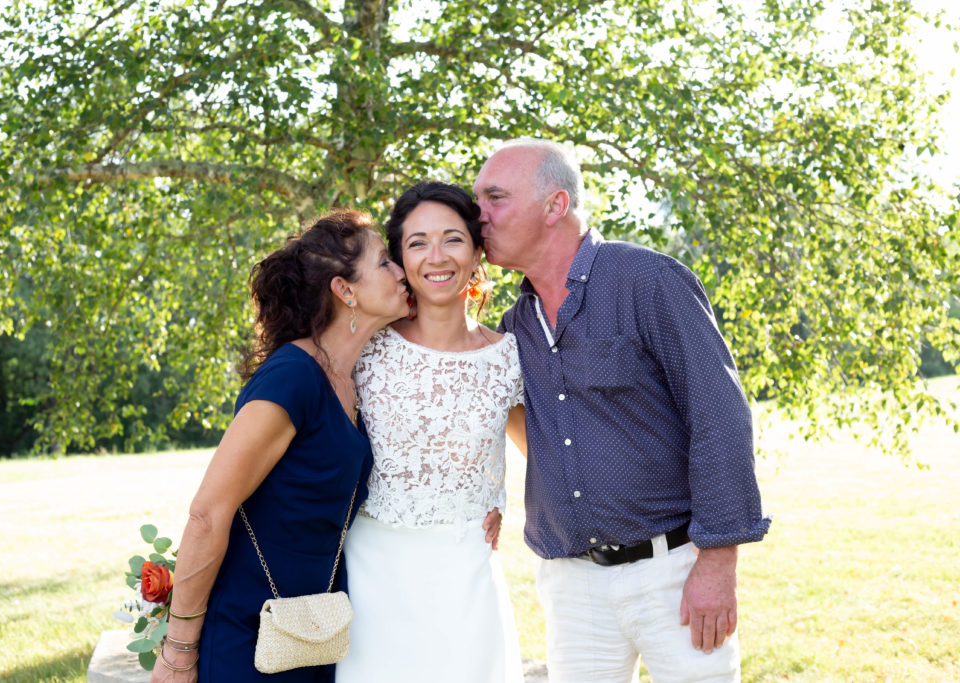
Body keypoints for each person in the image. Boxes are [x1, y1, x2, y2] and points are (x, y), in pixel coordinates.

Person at [473, 139, 772, 682]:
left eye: (494, 197)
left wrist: (718, 561)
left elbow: (719, 418)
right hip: (571, 586)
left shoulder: (649, 281)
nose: (479, 215)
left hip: (674, 572)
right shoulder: (514, 326)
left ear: (555, 205)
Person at [150, 211, 409, 683]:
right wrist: (178, 652)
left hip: (315, 630)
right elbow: (208, 513)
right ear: (344, 290)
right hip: (250, 631)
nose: (401, 271)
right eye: (385, 262)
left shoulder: (351, 381)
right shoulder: (292, 376)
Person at [335, 181, 527, 682]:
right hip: (372, 571)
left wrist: (500, 500)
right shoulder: (366, 348)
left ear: (478, 249)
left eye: (453, 239)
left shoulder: (508, 358)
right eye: (417, 242)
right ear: (399, 258)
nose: (436, 257)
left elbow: (548, 459)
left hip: (464, 573)